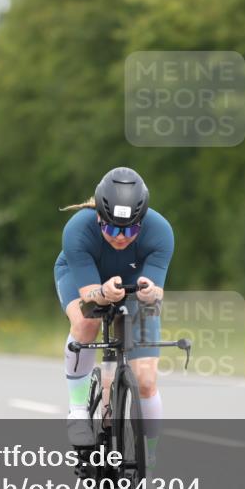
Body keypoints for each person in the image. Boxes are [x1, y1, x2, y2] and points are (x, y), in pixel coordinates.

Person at [54, 166, 173, 460]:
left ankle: (151, 463)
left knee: (145, 380)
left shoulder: (161, 232)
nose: (121, 237)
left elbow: (154, 293)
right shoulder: (77, 229)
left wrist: (153, 292)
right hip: (84, 281)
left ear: (142, 223)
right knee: (86, 321)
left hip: (131, 287)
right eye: (112, 228)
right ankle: (79, 409)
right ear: (99, 218)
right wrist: (104, 294)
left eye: (131, 229)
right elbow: (90, 299)